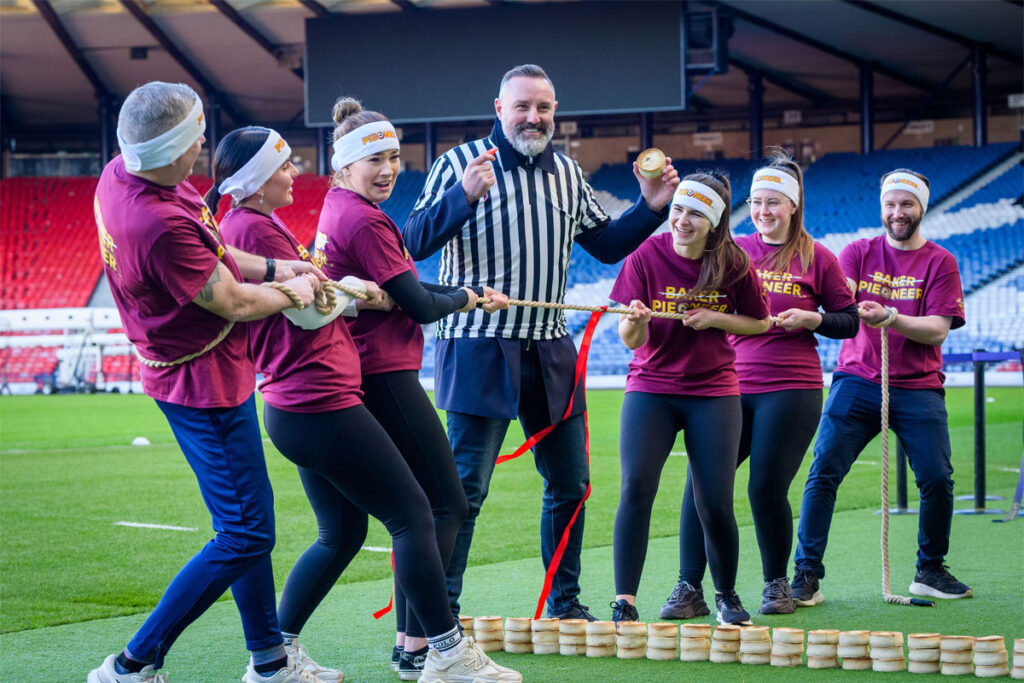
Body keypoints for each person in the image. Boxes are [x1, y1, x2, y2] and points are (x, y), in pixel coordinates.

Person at [214, 124, 522, 683]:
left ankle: (273, 660)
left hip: (304, 399)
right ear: (257, 177)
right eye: (284, 166)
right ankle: (443, 653)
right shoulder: (259, 228)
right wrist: (449, 296)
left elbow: (309, 294)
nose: (294, 173)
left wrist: (351, 292)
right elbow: (308, 306)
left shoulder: (263, 223)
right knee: (418, 513)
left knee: (344, 533)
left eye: (394, 157)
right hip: (318, 398)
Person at [404, 64, 678, 622]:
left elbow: (604, 245)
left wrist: (651, 207)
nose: (534, 117)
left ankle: (565, 604)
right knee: (464, 494)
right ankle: (440, 621)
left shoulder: (568, 173)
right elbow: (410, 241)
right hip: (479, 344)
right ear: (498, 108)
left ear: (555, 112)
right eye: (523, 106)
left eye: (544, 107)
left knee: (571, 486)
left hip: (551, 351)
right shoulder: (458, 164)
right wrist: (462, 198)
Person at [89, 83, 323, 683]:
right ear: (171, 150)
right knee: (247, 531)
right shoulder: (158, 220)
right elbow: (231, 301)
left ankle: (270, 660)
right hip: (203, 382)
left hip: (199, 372)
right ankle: (132, 663)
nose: (202, 144)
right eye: (195, 136)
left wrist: (278, 265)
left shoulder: (123, 175)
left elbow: (212, 251)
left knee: (243, 526)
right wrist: (290, 291)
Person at [311, 97, 507, 680]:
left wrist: (451, 291)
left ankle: (411, 644)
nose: (388, 168)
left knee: (414, 512)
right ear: (344, 165)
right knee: (443, 503)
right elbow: (420, 305)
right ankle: (432, 648)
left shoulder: (340, 206)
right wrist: (467, 296)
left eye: (395, 156)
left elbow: (408, 288)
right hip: (383, 371)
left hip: (369, 368)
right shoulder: (365, 219)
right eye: (374, 158)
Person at [663, 150, 859, 619]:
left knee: (765, 487)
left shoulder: (820, 258)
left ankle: (777, 585)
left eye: (774, 202)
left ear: (793, 206)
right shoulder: (731, 252)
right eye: (755, 201)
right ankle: (689, 587)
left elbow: (849, 321)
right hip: (726, 385)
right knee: (703, 486)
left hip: (791, 388)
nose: (763, 211)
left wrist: (814, 317)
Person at [792, 168, 972, 607]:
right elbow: (844, 302)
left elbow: (936, 330)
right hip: (857, 379)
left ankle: (929, 570)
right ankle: (806, 575)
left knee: (936, 478)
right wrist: (856, 309)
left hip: (917, 385)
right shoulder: (857, 251)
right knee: (824, 470)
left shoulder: (940, 262)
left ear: (921, 209)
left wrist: (891, 316)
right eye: (890, 204)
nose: (897, 212)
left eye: (906, 204)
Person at [608, 172, 772, 626]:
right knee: (636, 487)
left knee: (714, 500)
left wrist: (717, 318)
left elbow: (760, 323)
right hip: (651, 388)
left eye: (695, 213)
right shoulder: (645, 255)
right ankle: (625, 601)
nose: (681, 220)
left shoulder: (733, 263)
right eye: (678, 209)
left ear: (714, 222)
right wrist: (636, 321)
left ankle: (726, 597)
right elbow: (629, 338)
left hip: (713, 392)